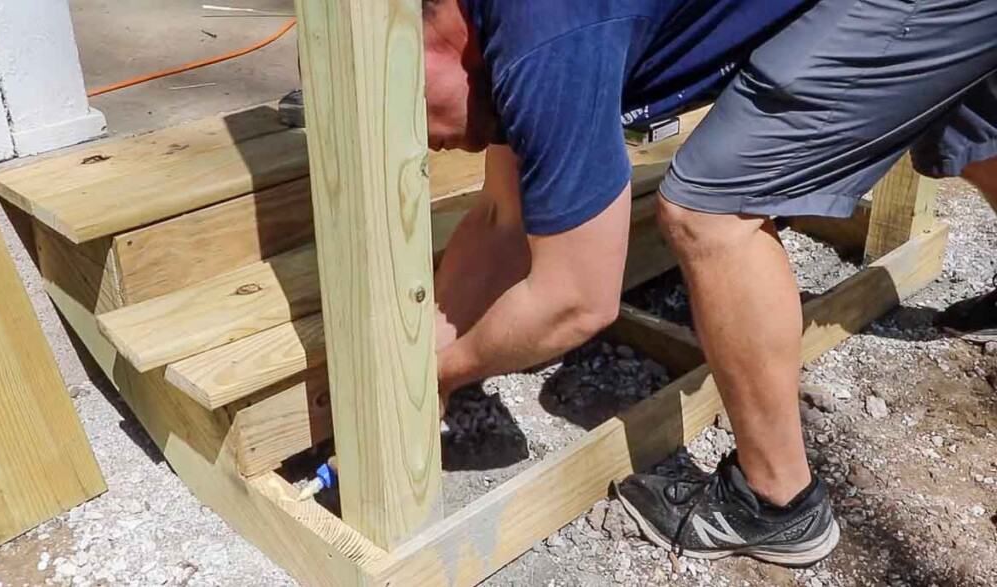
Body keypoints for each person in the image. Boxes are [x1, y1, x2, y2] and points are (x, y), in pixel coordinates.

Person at [424, 0, 997, 566]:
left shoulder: (542, 42)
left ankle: (779, 503)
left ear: (429, 40)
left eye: (403, 115)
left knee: (710, 209)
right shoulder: (499, 38)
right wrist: (427, 357)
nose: (423, 142)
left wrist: (442, 375)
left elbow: (576, 301)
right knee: (962, 105)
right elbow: (503, 216)